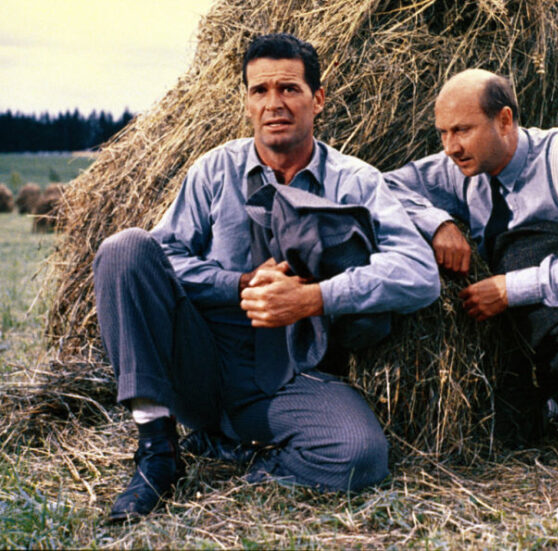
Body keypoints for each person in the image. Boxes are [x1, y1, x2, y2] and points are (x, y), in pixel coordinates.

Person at [93, 33, 440, 521]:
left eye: (289, 89)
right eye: (260, 91)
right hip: (204, 364)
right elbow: (164, 253)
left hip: (295, 375)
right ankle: (157, 454)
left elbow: (420, 273)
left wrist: (313, 298)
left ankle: (248, 457)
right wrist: (235, 284)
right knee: (124, 247)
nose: (274, 104)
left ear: (317, 99)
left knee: (361, 455)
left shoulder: (356, 180)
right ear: (246, 101)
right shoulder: (215, 170)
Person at [384, 69, 558, 455]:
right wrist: (437, 223)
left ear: (504, 120)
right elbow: (382, 185)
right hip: (511, 328)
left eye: (461, 130)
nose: (450, 147)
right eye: (442, 133)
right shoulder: (458, 168)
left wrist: (511, 288)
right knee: (506, 436)